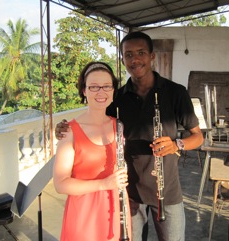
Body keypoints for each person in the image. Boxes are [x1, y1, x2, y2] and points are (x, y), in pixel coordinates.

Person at [55, 32, 204, 241]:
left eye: (141, 53)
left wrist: (176, 144)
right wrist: (63, 127)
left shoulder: (176, 92)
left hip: (167, 191)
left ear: (152, 56)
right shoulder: (117, 97)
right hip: (130, 192)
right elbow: (94, 119)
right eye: (128, 55)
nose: (135, 59)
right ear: (123, 59)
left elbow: (198, 137)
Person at [53, 61, 131, 241]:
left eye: (106, 86)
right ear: (84, 91)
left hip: (116, 208)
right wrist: (104, 184)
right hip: (84, 216)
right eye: (94, 87)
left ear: (113, 90)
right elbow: (60, 184)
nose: (101, 92)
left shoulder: (117, 125)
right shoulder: (69, 131)